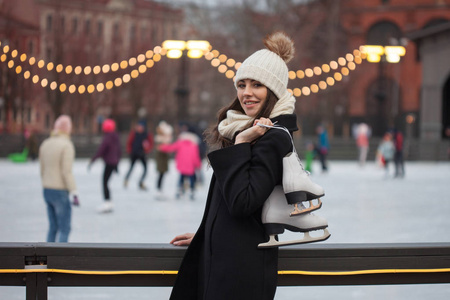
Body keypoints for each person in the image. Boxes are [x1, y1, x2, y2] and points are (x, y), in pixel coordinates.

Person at [169, 31, 301, 300]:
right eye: (242, 85)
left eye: (256, 85)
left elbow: (243, 202)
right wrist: (206, 234)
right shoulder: (250, 130)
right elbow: (231, 203)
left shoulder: (271, 137)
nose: (246, 93)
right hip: (226, 260)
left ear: (273, 91)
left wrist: (241, 143)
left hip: (242, 272)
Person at [39, 115, 79, 243]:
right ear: (67, 128)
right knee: (64, 228)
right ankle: (60, 261)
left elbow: (42, 169)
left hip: (47, 190)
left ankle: (46, 259)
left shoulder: (45, 143)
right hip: (60, 191)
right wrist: (73, 191)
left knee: (53, 227)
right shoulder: (66, 145)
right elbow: (66, 171)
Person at [159, 122, 201, 200]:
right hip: (190, 166)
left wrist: (163, 147)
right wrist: (198, 165)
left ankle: (179, 190)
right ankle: (191, 190)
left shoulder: (181, 142)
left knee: (181, 177)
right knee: (191, 178)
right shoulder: (194, 144)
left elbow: (172, 147)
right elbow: (196, 156)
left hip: (182, 164)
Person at [88, 119, 122, 213]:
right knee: (106, 182)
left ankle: (107, 202)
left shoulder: (108, 137)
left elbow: (101, 150)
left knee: (105, 182)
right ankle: (109, 201)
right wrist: (117, 163)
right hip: (113, 162)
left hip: (109, 162)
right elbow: (119, 151)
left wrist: (93, 160)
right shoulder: (115, 137)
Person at [124, 121, 153, 190]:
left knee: (145, 169)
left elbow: (150, 144)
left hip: (142, 154)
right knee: (131, 168)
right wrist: (130, 151)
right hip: (134, 153)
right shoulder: (134, 134)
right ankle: (126, 180)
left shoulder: (146, 134)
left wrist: (147, 150)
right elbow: (129, 143)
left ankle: (141, 182)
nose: (140, 128)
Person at [154, 120, 174, 198]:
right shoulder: (161, 141)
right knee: (161, 174)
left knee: (161, 174)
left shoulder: (162, 141)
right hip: (161, 159)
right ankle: (158, 189)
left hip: (163, 159)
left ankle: (159, 189)